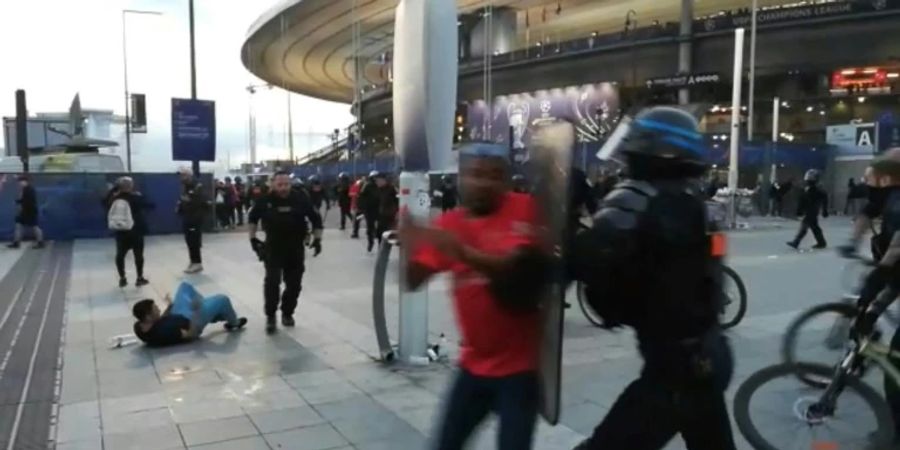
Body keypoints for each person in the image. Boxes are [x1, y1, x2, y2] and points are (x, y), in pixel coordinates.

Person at [570, 106, 736, 450]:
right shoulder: (696, 205)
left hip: (672, 372)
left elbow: (603, 287)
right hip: (709, 355)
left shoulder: (633, 202)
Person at [400, 143, 551, 450]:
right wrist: (410, 246)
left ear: (507, 180)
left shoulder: (528, 209)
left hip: (521, 371)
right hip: (473, 367)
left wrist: (461, 252)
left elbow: (519, 271)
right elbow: (413, 282)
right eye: (476, 174)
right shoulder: (450, 224)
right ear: (462, 178)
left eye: (494, 175)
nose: (484, 182)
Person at [839, 149, 900, 446]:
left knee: (896, 368)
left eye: (880, 174)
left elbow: (895, 257)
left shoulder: (898, 205)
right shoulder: (890, 201)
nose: (875, 181)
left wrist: (871, 290)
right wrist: (874, 307)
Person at [249, 171, 324, 333]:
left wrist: (318, 239)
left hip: (295, 248)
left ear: (290, 184)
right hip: (273, 248)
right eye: (280, 184)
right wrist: (253, 239)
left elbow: (316, 219)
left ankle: (287, 313)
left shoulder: (300, 198)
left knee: (294, 285)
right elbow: (253, 219)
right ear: (273, 184)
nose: (283, 188)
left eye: (286, 184)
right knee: (272, 283)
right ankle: (270, 316)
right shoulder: (265, 200)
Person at [132, 281, 247, 347]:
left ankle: (210, 311)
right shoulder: (165, 332)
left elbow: (159, 321)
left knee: (185, 286)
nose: (158, 309)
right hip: (192, 321)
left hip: (177, 313)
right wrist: (196, 311)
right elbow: (191, 335)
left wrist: (170, 306)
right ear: (148, 316)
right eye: (155, 309)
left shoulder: (140, 326)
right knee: (223, 299)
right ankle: (234, 323)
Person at [108, 176, 153, 287]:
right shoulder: (136, 197)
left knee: (120, 254)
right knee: (138, 255)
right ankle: (139, 278)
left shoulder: (114, 198)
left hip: (121, 231)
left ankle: (122, 278)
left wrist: (114, 190)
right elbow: (150, 205)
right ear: (131, 186)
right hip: (136, 230)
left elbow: (104, 202)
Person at [177, 168, 210, 273]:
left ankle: (197, 263)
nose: (181, 177)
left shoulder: (198, 186)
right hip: (187, 217)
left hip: (195, 218)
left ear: (189, 175)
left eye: (183, 175)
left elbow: (202, 202)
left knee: (194, 241)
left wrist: (189, 202)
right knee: (189, 240)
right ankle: (193, 261)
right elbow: (184, 200)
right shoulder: (185, 187)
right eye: (181, 175)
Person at [787, 169, 829, 250]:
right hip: (811, 210)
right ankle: (821, 242)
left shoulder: (816, 189)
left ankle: (796, 241)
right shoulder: (808, 189)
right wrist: (800, 210)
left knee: (805, 225)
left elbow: (824, 200)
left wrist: (824, 210)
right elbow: (802, 200)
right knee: (814, 226)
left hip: (812, 210)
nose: (809, 180)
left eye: (811, 178)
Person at [8, 175, 44, 249]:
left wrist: (19, 202)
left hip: (30, 211)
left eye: (20, 182)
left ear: (25, 181)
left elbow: (29, 201)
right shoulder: (25, 189)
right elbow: (24, 200)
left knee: (35, 227)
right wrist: (19, 201)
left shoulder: (29, 189)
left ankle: (40, 242)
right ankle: (16, 242)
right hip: (25, 211)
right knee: (19, 225)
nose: (19, 183)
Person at [358, 171, 381, 252]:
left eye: (377, 177)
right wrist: (361, 208)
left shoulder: (380, 185)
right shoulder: (367, 185)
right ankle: (370, 243)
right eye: (374, 177)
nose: (375, 179)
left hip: (379, 209)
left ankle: (380, 244)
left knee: (381, 227)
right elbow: (361, 197)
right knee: (370, 227)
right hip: (369, 209)